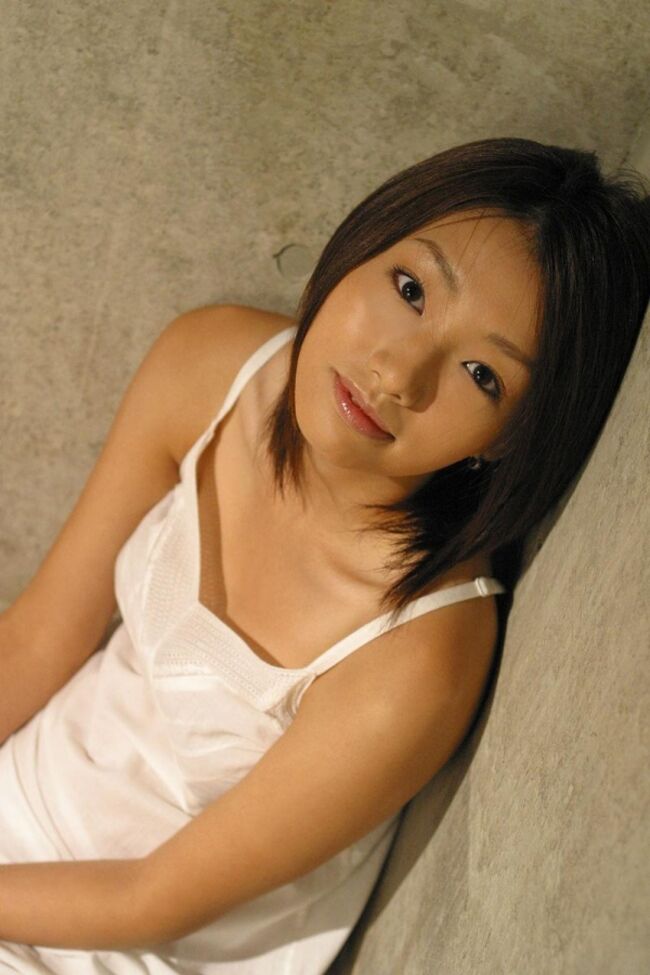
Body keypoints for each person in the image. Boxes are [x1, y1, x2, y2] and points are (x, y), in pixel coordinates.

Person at [0, 137, 647, 974]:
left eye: (482, 374)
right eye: (410, 289)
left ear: (513, 437)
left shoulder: (420, 654)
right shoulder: (211, 362)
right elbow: (36, 638)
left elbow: (150, 900)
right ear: (362, 244)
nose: (398, 372)